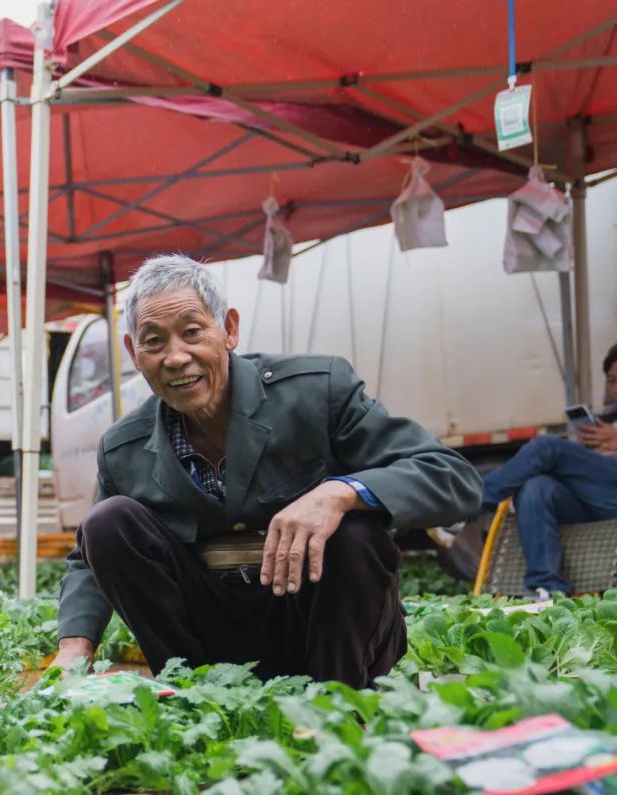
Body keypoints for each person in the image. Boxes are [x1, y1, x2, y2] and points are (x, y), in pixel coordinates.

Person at [52, 254, 482, 688]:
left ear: (229, 330)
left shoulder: (317, 390)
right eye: (154, 341)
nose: (176, 357)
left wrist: (340, 493)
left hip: (328, 630)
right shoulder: (124, 447)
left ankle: (337, 704)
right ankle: (197, 695)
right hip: (212, 644)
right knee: (108, 523)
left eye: (192, 332)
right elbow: (88, 559)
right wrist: (74, 644)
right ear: (134, 352)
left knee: (355, 532)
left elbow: (451, 476)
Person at [466, 344, 617, 600]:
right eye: (613, 380)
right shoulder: (607, 417)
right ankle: (546, 588)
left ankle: (466, 505)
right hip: (593, 497)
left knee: (547, 447)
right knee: (536, 486)